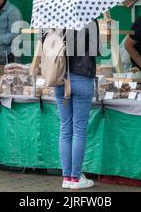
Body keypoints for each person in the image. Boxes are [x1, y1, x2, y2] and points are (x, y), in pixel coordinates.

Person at [50, 20, 100, 190]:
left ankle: (67, 178)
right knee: (79, 130)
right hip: (82, 78)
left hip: (59, 77)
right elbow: (95, 51)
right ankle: (76, 177)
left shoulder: (54, 20)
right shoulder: (90, 21)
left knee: (65, 128)